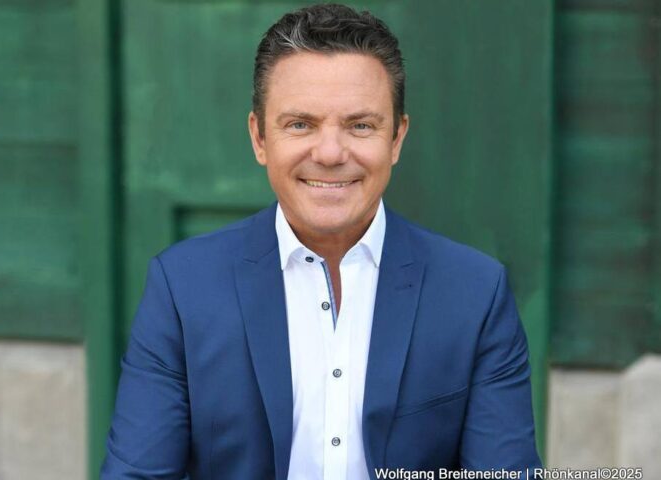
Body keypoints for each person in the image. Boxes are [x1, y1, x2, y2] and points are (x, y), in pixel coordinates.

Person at [101, 4, 541, 479]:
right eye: (300, 124)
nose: (330, 153)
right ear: (259, 138)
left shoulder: (476, 294)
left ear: (396, 139)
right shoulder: (183, 288)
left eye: (360, 125)